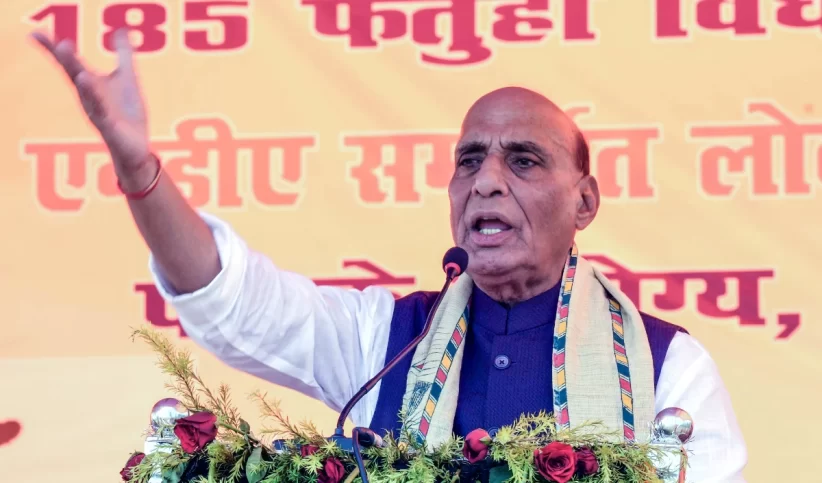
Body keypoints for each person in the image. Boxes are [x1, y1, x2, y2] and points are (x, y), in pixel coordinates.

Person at [32, 29, 747, 481]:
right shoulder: (389, 339)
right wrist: (140, 172)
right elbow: (231, 301)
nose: (486, 181)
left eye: (524, 160)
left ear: (584, 202)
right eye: (469, 160)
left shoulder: (668, 367)